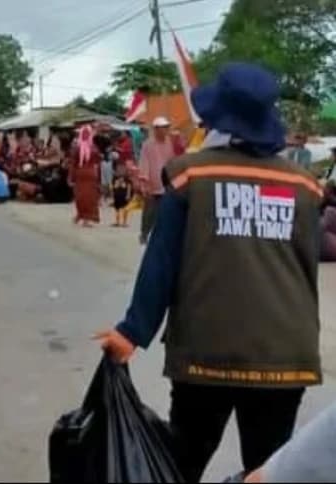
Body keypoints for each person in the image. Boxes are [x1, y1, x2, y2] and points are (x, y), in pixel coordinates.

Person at [97, 63, 323, 483]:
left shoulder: (189, 175)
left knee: (181, 464)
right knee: (269, 472)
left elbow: (161, 262)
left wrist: (132, 332)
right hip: (284, 353)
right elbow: (304, 267)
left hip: (207, 350)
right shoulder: (306, 187)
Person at [138, 116, 176, 244]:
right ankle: (144, 233)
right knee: (149, 211)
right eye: (163, 128)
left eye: (167, 127)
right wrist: (144, 183)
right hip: (152, 183)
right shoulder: (147, 145)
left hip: (165, 183)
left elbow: (172, 161)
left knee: (164, 211)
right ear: (156, 129)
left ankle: (159, 236)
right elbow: (144, 163)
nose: (166, 130)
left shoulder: (169, 143)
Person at [68, 124, 102, 227]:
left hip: (84, 174)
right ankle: (83, 216)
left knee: (83, 197)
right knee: (86, 197)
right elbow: (98, 160)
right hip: (88, 174)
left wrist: (70, 177)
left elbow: (73, 163)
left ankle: (84, 217)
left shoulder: (78, 147)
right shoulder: (92, 148)